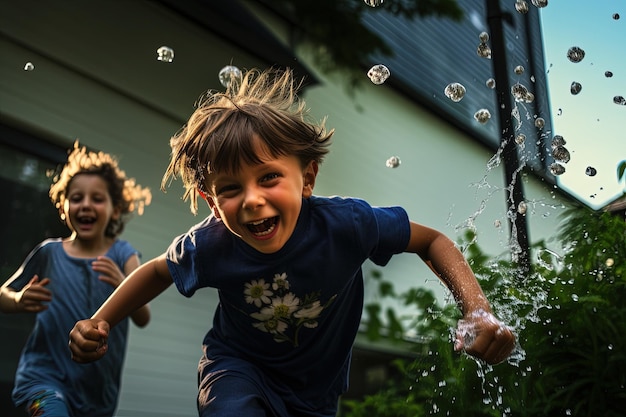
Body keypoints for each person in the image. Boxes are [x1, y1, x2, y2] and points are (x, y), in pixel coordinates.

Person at [68, 68, 516, 417]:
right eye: (230, 189)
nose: (252, 200)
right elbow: (157, 271)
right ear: (211, 201)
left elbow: (432, 240)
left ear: (308, 178)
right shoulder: (210, 244)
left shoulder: (346, 223)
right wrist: (100, 321)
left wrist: (476, 309)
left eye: (269, 178)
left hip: (316, 393)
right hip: (237, 369)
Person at [0, 142, 152, 417]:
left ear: (115, 209)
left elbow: (144, 316)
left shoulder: (123, 254)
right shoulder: (49, 253)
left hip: (97, 393)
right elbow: (3, 295)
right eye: (77, 197)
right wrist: (19, 299)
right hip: (43, 381)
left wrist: (122, 284)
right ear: (63, 206)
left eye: (97, 198)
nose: (86, 205)